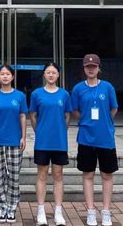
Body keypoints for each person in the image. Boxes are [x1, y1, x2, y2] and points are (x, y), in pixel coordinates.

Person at [71, 54, 119, 226]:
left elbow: (113, 109)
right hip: (86, 138)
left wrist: (104, 122)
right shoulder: (78, 89)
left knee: (107, 175)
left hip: (105, 138)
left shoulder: (107, 87)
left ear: (99, 68)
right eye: (87, 67)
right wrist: (86, 121)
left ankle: (106, 211)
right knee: (88, 175)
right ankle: (90, 211)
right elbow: (75, 110)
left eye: (94, 66)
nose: (91, 69)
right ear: (84, 68)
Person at [29, 62, 72, 226]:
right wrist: (39, 131)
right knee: (42, 174)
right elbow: (33, 115)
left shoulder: (64, 94)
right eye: (48, 72)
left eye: (54, 72)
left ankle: (58, 211)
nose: (51, 75)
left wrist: (60, 130)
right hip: (42, 142)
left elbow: (67, 116)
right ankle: (41, 210)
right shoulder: (36, 94)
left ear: (58, 75)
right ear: (44, 75)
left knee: (58, 175)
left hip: (59, 141)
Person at [0, 64, 28, 223]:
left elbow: (23, 116)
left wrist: (24, 137)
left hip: (15, 141)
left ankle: (12, 207)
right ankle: (1, 207)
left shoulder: (20, 96)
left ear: (12, 77)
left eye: (8, 74)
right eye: (2, 74)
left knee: (14, 177)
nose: (5, 76)